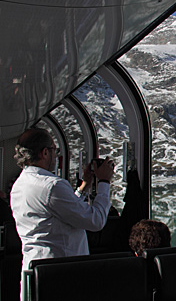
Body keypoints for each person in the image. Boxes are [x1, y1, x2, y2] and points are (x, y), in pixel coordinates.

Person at [10, 128, 115, 298]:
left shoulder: (19, 185)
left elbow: (59, 212)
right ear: (45, 152)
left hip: (35, 272)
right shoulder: (52, 185)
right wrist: (104, 182)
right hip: (61, 275)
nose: (56, 155)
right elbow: (96, 221)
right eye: (54, 150)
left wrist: (85, 185)